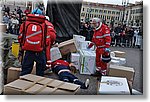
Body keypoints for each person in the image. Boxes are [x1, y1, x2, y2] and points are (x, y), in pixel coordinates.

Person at [18, 9, 56, 76]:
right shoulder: (45, 25)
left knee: (25, 71)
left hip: (28, 50)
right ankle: (37, 85)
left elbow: (20, 37)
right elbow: (47, 40)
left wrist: (21, 48)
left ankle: (23, 84)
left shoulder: (25, 23)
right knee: (40, 73)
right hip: (40, 51)